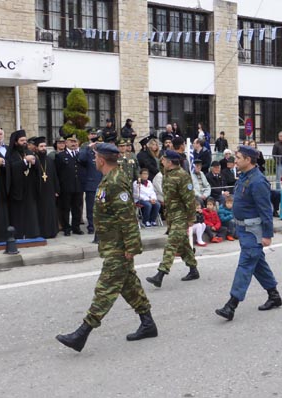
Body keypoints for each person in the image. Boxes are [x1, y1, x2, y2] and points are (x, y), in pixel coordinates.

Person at [56, 143, 157, 352]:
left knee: (105, 288)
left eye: (95, 157)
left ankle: (82, 333)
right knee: (129, 285)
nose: (93, 160)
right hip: (113, 243)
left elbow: (127, 217)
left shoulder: (116, 182)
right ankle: (148, 323)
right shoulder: (110, 179)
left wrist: (131, 246)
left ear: (101, 160)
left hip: (119, 246)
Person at [215, 145, 282, 321]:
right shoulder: (245, 176)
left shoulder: (258, 181)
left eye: (238, 158)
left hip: (253, 231)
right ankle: (274, 295)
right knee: (258, 264)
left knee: (245, 265)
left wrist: (267, 235)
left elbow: (266, 210)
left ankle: (232, 305)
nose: (234, 160)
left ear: (248, 160)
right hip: (244, 229)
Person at [145, 150, 199, 288]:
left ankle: (160, 274)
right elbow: (158, 163)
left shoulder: (183, 176)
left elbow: (189, 199)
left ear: (170, 162)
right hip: (171, 216)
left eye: (164, 160)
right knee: (183, 245)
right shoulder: (167, 173)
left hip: (181, 215)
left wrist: (191, 218)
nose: (161, 161)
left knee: (171, 244)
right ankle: (193, 269)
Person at [6, 129, 40, 239]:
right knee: (18, 213)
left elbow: (37, 167)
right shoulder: (11, 154)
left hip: (29, 188)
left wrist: (34, 163)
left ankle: (31, 232)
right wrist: (24, 162)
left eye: (25, 140)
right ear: (15, 142)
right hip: (17, 189)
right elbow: (11, 168)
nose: (24, 142)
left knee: (30, 211)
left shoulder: (29, 152)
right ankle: (19, 234)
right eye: (21, 140)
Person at [55, 135, 84, 236]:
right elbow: (57, 173)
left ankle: (76, 227)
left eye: (75, 142)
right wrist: (58, 188)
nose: (73, 144)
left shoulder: (81, 155)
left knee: (77, 208)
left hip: (78, 186)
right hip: (66, 187)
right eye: (71, 141)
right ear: (66, 143)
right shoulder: (61, 155)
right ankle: (66, 228)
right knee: (65, 208)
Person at [34, 137, 60, 238]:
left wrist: (57, 189)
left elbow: (54, 175)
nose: (43, 148)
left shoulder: (49, 160)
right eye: (41, 146)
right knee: (41, 211)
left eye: (45, 146)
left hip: (50, 189)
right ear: (36, 148)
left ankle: (52, 231)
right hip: (39, 190)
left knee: (50, 211)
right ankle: (42, 232)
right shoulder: (34, 160)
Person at [78, 134, 104, 234]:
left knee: (102, 207)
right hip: (91, 185)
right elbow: (81, 158)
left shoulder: (103, 154)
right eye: (97, 143)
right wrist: (88, 147)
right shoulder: (88, 153)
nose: (98, 145)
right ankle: (91, 226)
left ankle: (101, 226)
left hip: (102, 185)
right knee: (91, 208)